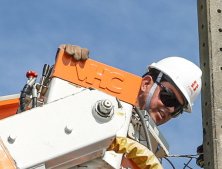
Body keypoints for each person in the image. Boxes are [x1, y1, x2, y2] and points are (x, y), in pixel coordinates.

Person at [58, 44, 202, 126]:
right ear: (146, 83)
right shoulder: (99, 103)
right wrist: (65, 69)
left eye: (177, 109)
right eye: (168, 98)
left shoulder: (149, 155)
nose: (170, 109)